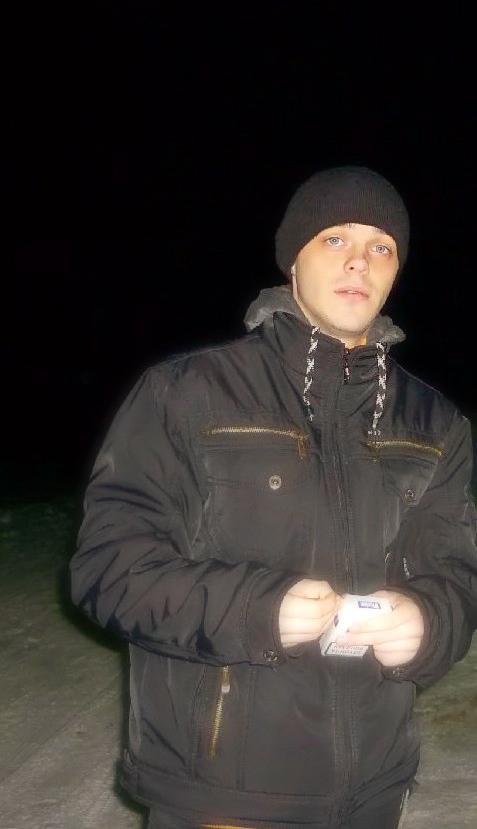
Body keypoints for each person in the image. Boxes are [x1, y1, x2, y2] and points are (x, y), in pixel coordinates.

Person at [70, 166, 477, 829]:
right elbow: (109, 570)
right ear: (293, 259)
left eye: (381, 246)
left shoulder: (435, 423)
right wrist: (257, 609)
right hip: (224, 791)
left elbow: (457, 576)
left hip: (374, 790)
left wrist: (428, 621)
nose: (359, 261)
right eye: (334, 239)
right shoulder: (187, 392)